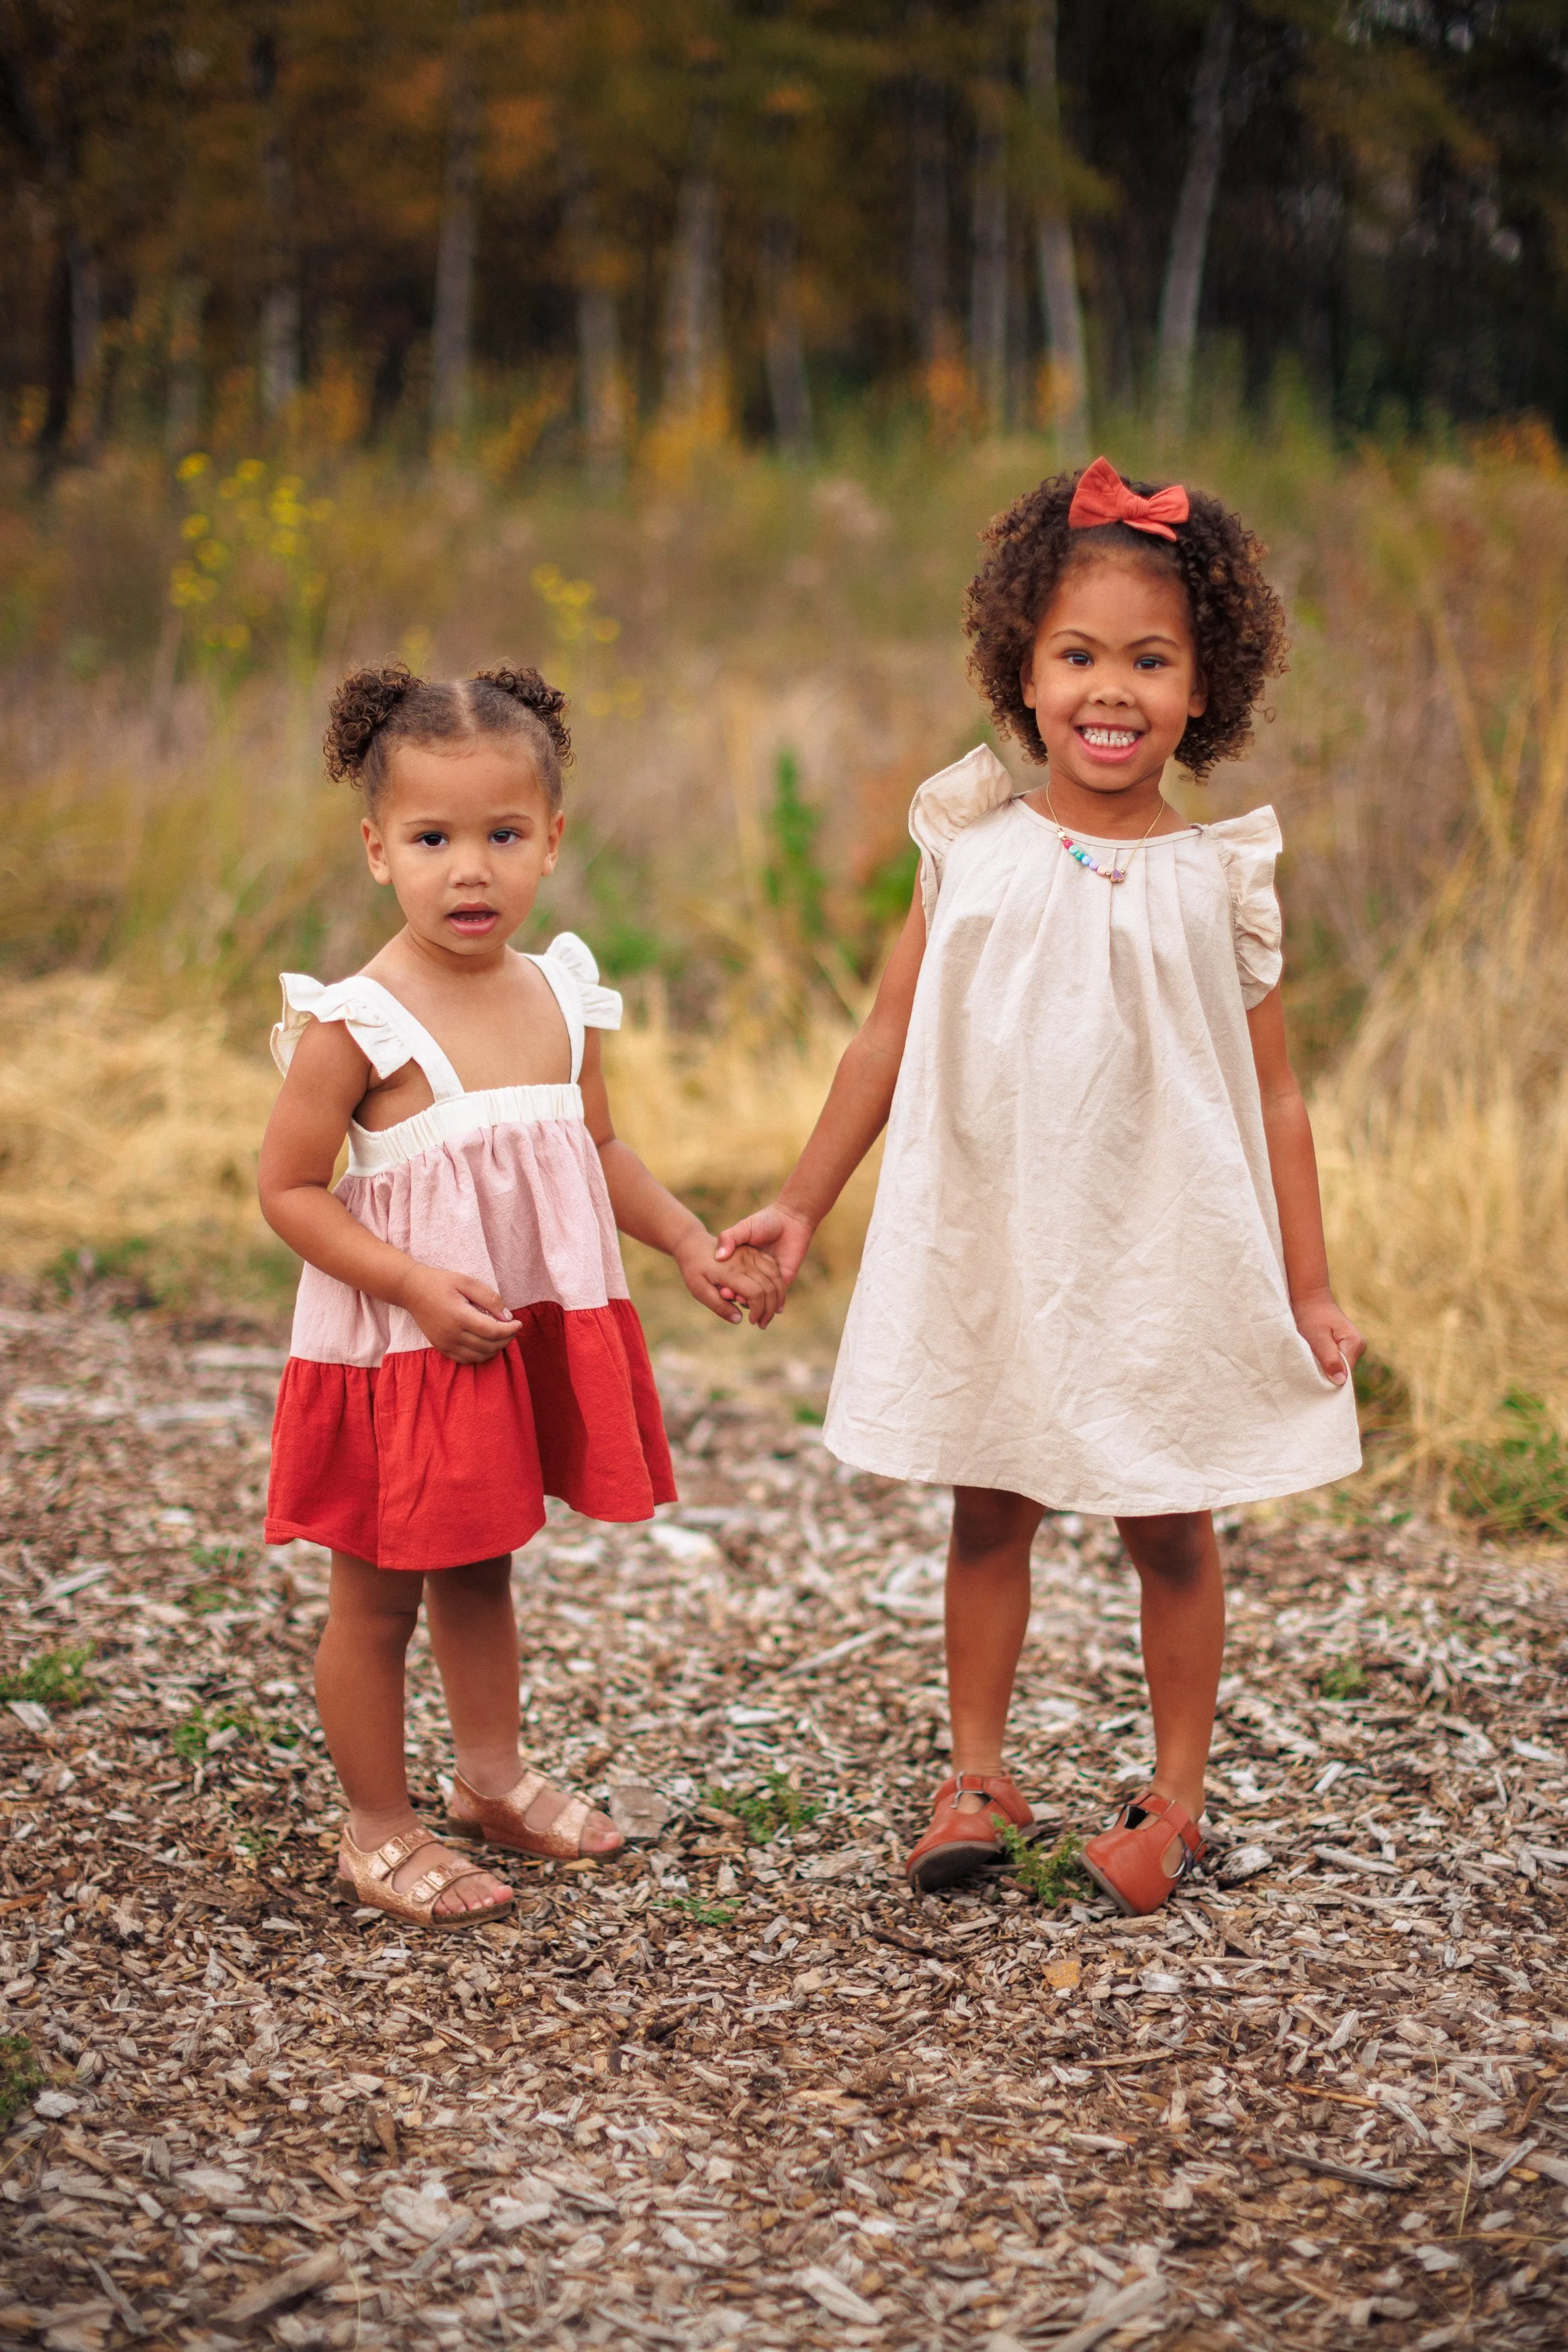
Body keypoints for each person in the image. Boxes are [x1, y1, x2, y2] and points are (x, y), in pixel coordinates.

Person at [717, 458, 1363, 1915]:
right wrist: (805, 1202)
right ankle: (977, 1774)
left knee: (1167, 1517)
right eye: (1077, 656)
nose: (1110, 689)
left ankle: (1177, 1796)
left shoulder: (1221, 878)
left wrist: (1310, 1283)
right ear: (1025, 670)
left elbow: (1276, 1097)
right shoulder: (972, 844)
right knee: (988, 1501)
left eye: (1150, 658)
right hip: (1002, 1237)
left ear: (1205, 686)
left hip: (1161, 1245)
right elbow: (884, 1034)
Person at [259, 661, 781, 1928]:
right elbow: (288, 1191)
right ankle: (376, 1827)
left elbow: (595, 1152)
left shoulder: (558, 994)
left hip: (502, 1341)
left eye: (501, 835)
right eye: (433, 839)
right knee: (378, 1592)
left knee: (482, 1562)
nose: (470, 870)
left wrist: (687, 1242)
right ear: (377, 848)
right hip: (401, 1347)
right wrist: (411, 1284)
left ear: (551, 837)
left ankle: (489, 1777)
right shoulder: (359, 1023)